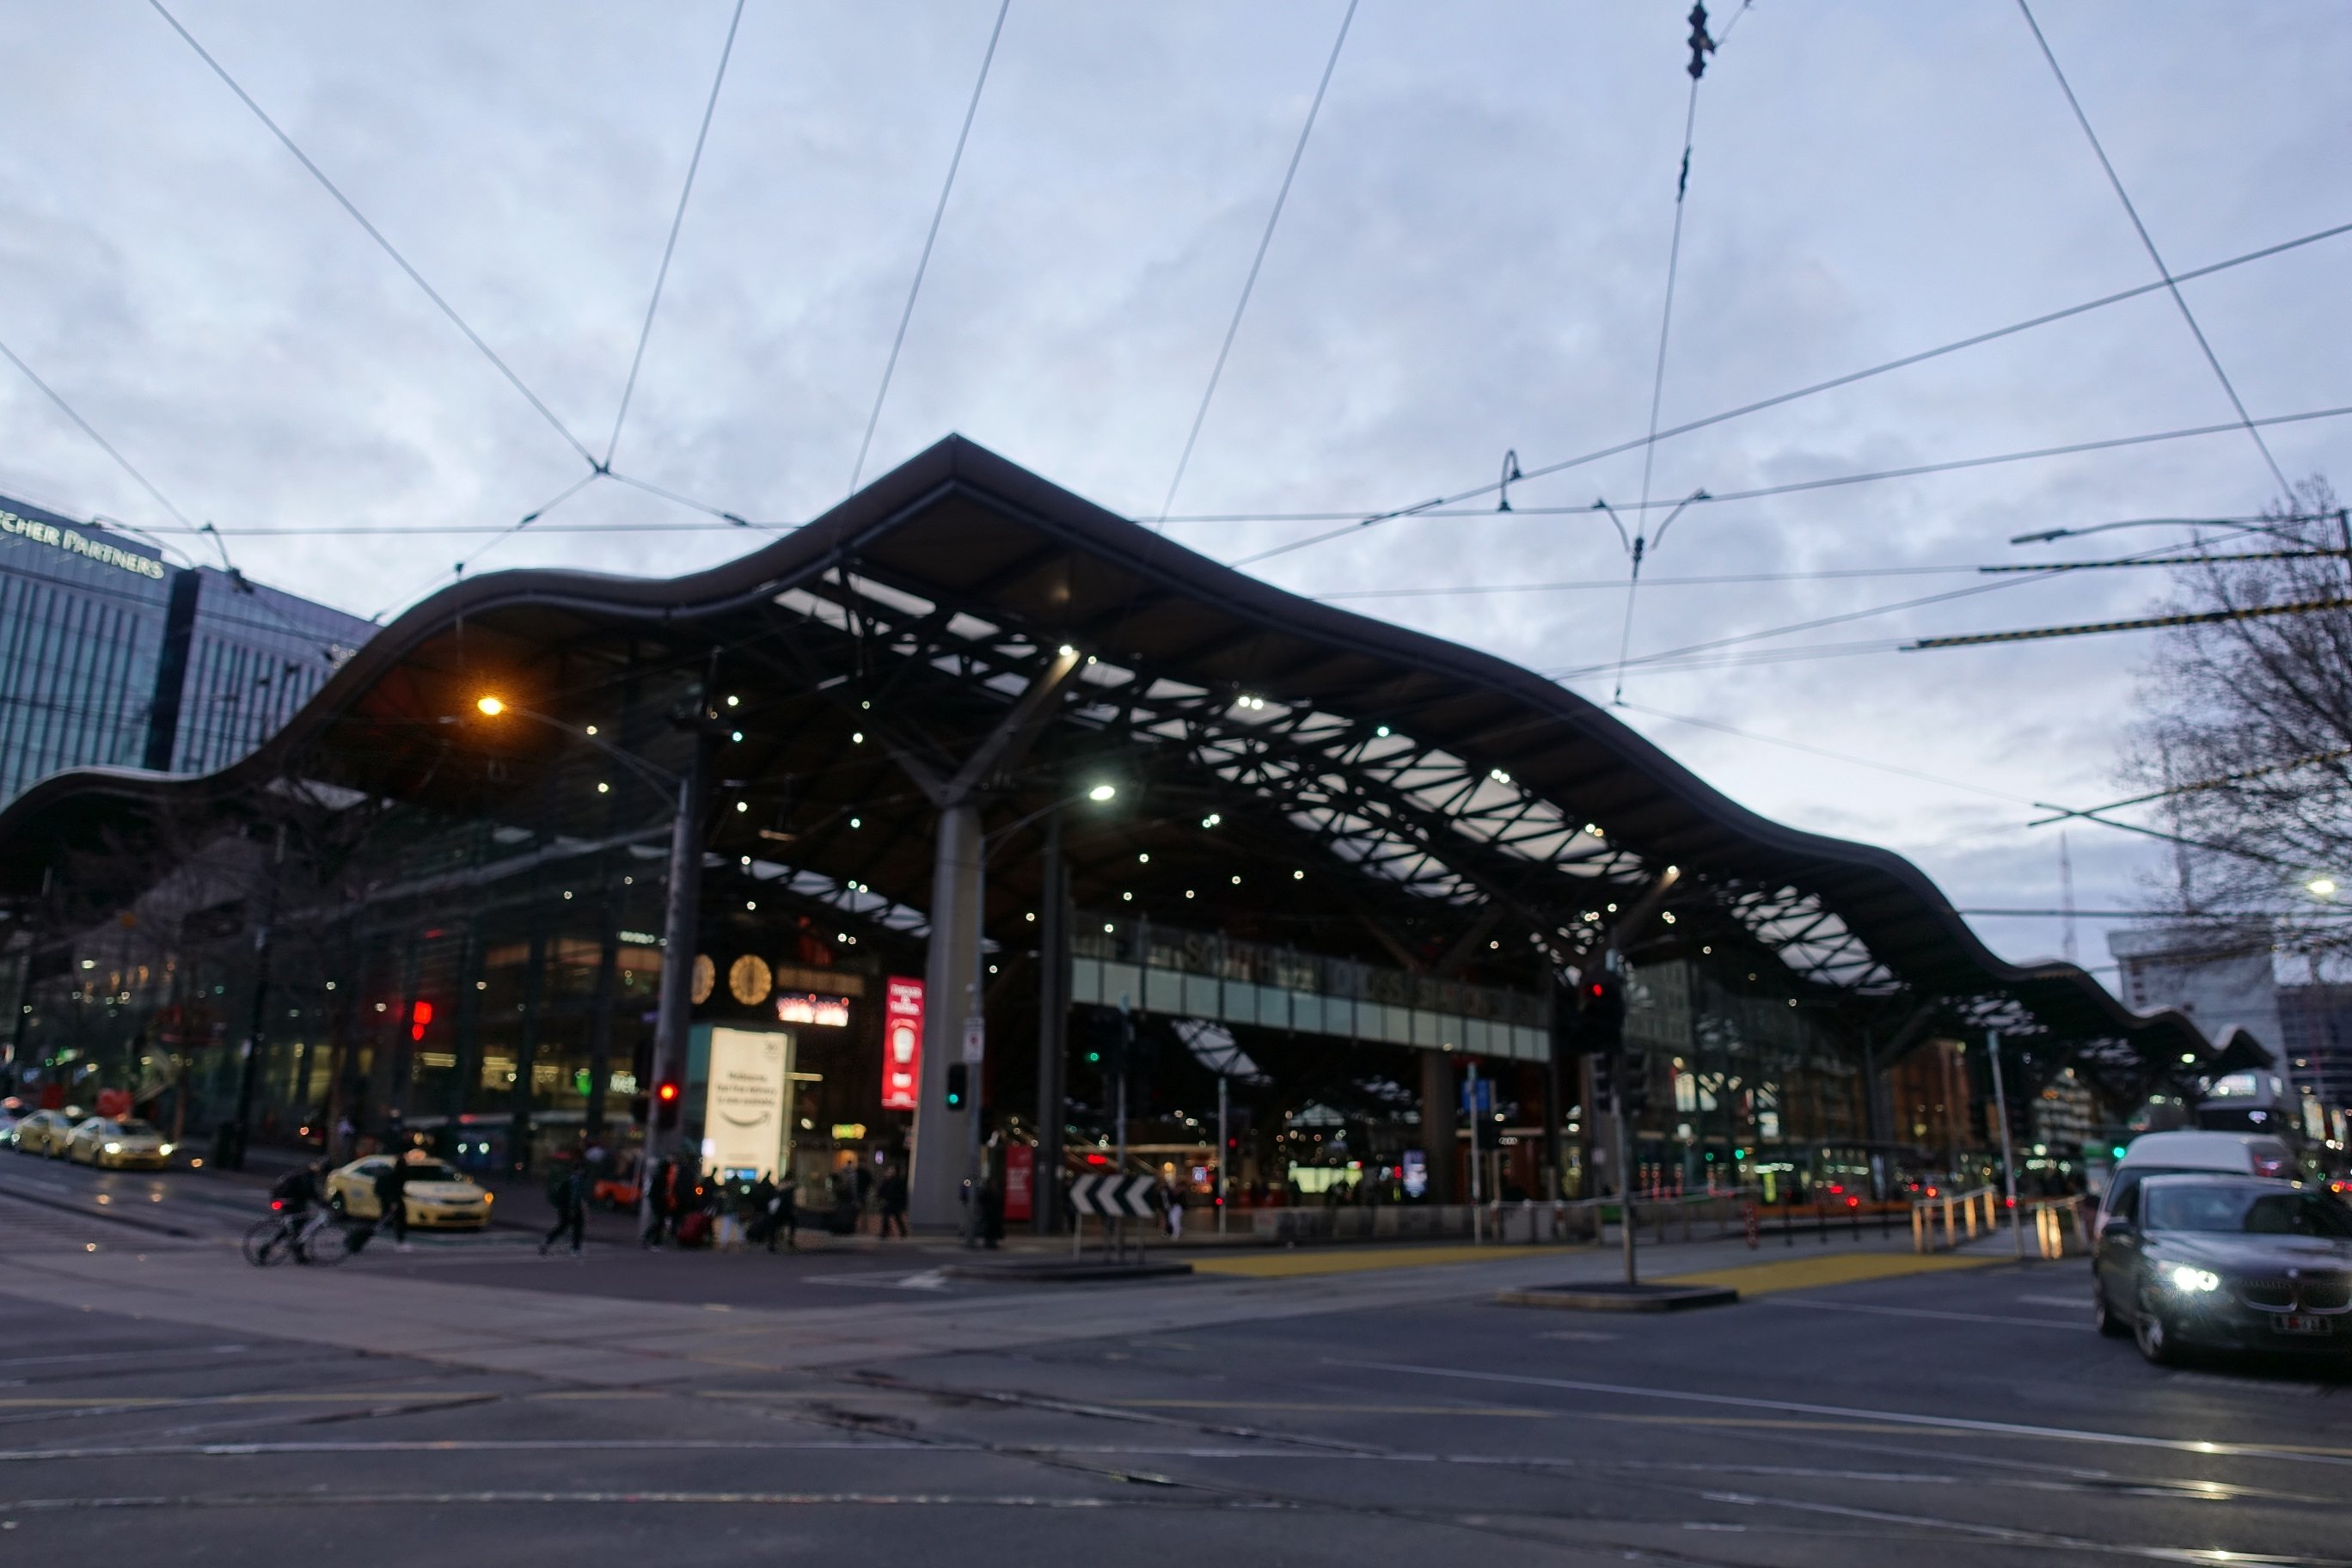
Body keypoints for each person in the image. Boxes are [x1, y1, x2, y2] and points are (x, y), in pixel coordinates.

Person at [540, 1155, 587, 1256]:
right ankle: (575, 1248)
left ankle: (547, 1242)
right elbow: (575, 1196)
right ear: (579, 1170)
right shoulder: (574, 1182)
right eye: (582, 1169)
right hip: (570, 1208)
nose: (583, 1172)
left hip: (567, 1208)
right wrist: (573, 1208)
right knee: (573, 1227)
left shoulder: (570, 1181)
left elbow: (577, 1196)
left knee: (565, 1227)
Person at [374, 1149, 413, 1252]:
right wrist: (393, 1201)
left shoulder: (397, 1173)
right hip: (392, 1199)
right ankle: (400, 1242)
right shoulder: (398, 1174)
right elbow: (394, 1188)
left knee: (390, 1219)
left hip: (392, 1198)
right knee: (397, 1220)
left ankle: (400, 1241)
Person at [641, 1156, 677, 1249]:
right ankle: (651, 1238)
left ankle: (652, 1239)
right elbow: (662, 1191)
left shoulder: (658, 1175)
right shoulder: (662, 1177)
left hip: (657, 1201)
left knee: (659, 1221)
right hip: (659, 1202)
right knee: (659, 1222)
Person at [878, 1165, 908, 1240]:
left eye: (891, 1171)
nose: (889, 1172)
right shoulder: (886, 1181)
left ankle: (903, 1231)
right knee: (886, 1217)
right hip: (888, 1202)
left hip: (895, 1202)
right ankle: (885, 1232)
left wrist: (901, 1201)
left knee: (897, 1218)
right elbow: (882, 1190)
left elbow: (901, 1192)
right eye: (889, 1171)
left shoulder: (898, 1181)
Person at [1164, 1176, 1185, 1241]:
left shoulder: (1180, 1192)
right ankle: (1178, 1231)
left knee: (1174, 1220)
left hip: (1177, 1207)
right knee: (1172, 1220)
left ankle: (1176, 1234)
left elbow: (1181, 1200)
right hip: (1174, 1207)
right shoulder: (1172, 1191)